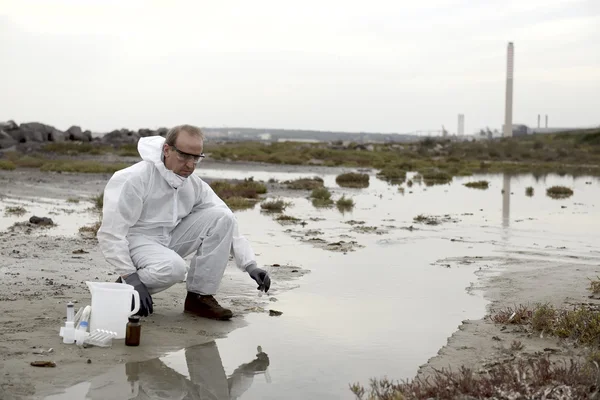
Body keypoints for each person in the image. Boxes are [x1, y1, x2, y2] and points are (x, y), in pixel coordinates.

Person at [97, 124, 271, 320]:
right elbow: (111, 234)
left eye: (196, 158)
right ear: (167, 150)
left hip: (168, 239)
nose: (190, 165)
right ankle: (120, 292)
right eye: (184, 156)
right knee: (175, 268)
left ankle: (199, 298)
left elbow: (225, 217)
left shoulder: (193, 183)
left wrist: (250, 264)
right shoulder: (134, 178)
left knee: (223, 217)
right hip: (136, 241)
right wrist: (130, 276)